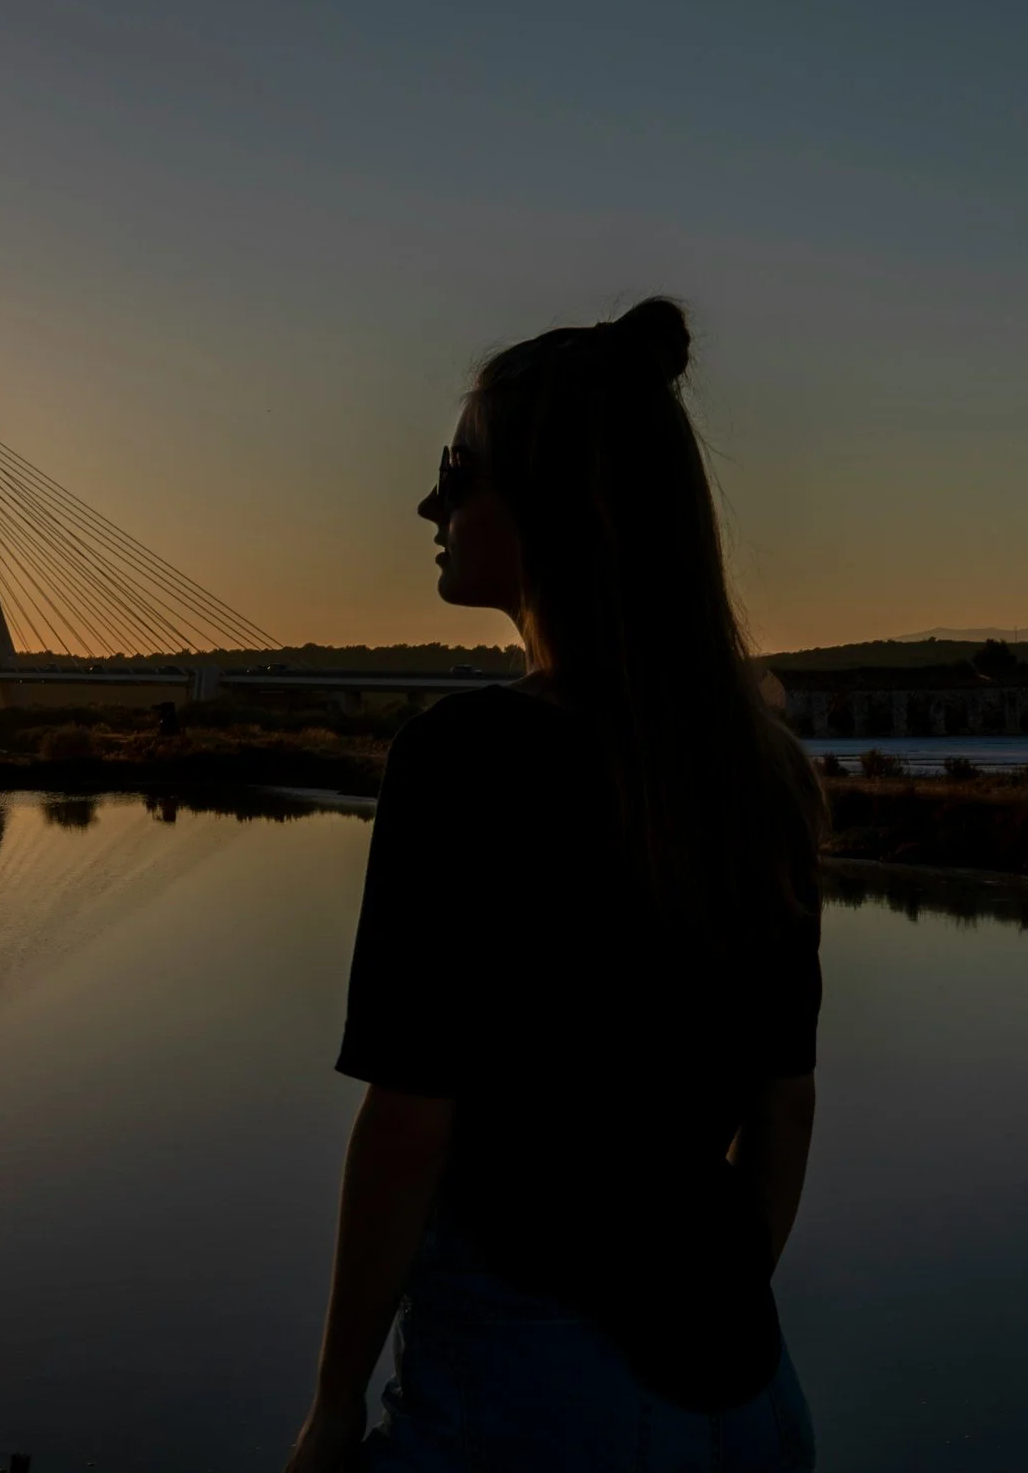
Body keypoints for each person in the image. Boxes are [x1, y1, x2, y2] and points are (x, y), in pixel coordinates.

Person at [285, 298, 826, 1472]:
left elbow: (410, 1122)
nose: (430, 506)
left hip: (525, 1387)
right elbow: (783, 1108)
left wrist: (332, 1408)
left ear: (556, 503)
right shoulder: (762, 769)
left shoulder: (465, 756)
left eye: (455, 470)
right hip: (750, 1397)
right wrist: (699, 1308)